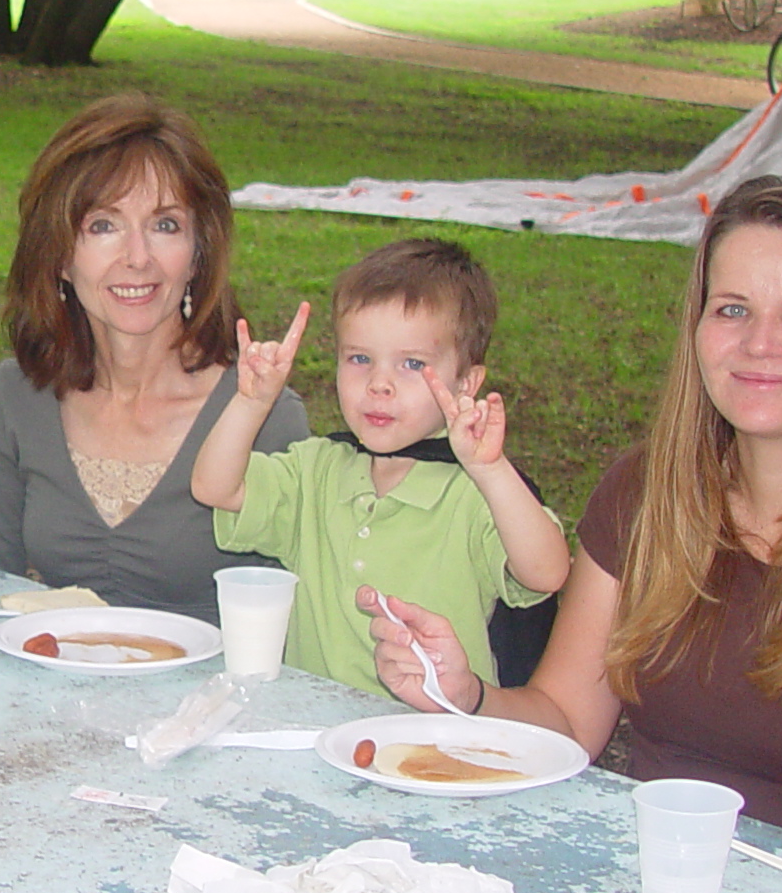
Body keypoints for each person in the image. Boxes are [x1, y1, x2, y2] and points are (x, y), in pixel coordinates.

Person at [362, 172, 782, 847]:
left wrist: (738, 889)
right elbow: (568, 722)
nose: (761, 343)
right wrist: (466, 695)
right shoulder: (646, 492)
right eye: (732, 309)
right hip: (650, 880)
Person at [0, 95, 307, 622]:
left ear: (198, 253)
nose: (138, 257)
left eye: (165, 225)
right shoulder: (16, 397)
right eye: (103, 225)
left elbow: (298, 629)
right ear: (57, 254)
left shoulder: (264, 415)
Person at [190, 237, 566, 696]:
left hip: (434, 745)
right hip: (313, 735)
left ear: (465, 381)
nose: (379, 384)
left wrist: (491, 471)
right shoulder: (318, 471)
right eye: (359, 358)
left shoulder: (473, 493)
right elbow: (214, 488)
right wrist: (251, 403)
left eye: (411, 363)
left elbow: (546, 573)